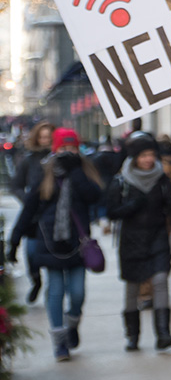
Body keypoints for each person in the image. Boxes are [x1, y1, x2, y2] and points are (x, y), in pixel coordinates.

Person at [7, 128, 104, 361]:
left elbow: (96, 197)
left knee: (78, 293)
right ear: (55, 148)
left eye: (72, 148)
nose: (68, 152)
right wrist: (14, 241)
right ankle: (60, 343)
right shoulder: (44, 172)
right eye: (63, 148)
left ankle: (72, 324)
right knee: (55, 291)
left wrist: (77, 172)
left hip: (77, 243)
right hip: (50, 243)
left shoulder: (84, 170)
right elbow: (29, 207)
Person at [105, 132, 171, 351]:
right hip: (131, 240)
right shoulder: (121, 180)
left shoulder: (161, 179)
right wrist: (131, 206)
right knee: (132, 287)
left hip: (157, 237)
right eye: (143, 155)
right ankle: (133, 335)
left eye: (151, 154)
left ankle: (163, 334)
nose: (148, 159)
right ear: (134, 157)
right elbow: (111, 212)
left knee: (160, 280)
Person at [11, 121, 55, 301]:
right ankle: (36, 280)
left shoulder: (59, 158)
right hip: (33, 216)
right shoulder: (29, 160)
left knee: (52, 256)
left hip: (52, 214)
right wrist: (27, 200)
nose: (45, 141)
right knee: (31, 254)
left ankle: (53, 290)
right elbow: (16, 185)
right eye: (42, 137)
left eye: (49, 137)